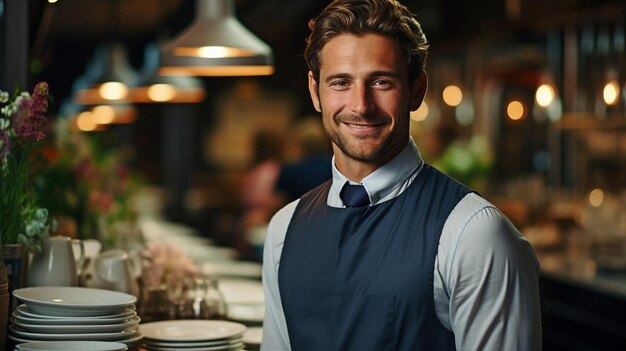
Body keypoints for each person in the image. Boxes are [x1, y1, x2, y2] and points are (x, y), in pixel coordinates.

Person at [261, 0, 542, 350]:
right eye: (340, 82)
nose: (361, 105)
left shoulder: (477, 234)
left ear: (416, 90)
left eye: (381, 81)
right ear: (315, 92)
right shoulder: (283, 230)